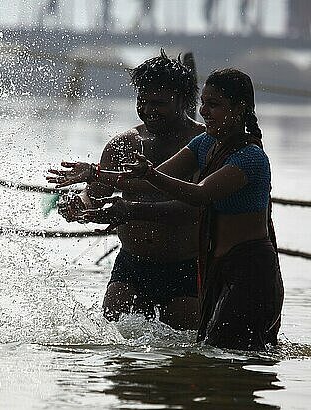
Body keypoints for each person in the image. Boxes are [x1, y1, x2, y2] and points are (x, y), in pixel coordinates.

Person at [78, 68, 283, 350]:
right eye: (205, 103)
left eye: (214, 105)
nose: (206, 111)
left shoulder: (249, 157)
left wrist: (135, 201)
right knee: (208, 352)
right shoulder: (205, 143)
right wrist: (93, 173)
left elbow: (198, 197)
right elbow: (150, 181)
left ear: (240, 109)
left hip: (246, 268)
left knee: (234, 353)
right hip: (215, 266)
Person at [47, 50, 205, 330]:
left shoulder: (203, 145)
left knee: (185, 352)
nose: (148, 110)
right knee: (116, 347)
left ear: (182, 100)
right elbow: (95, 192)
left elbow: (197, 207)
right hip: (132, 265)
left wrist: (131, 210)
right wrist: (77, 205)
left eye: (159, 103)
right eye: (142, 102)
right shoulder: (124, 143)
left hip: (185, 267)